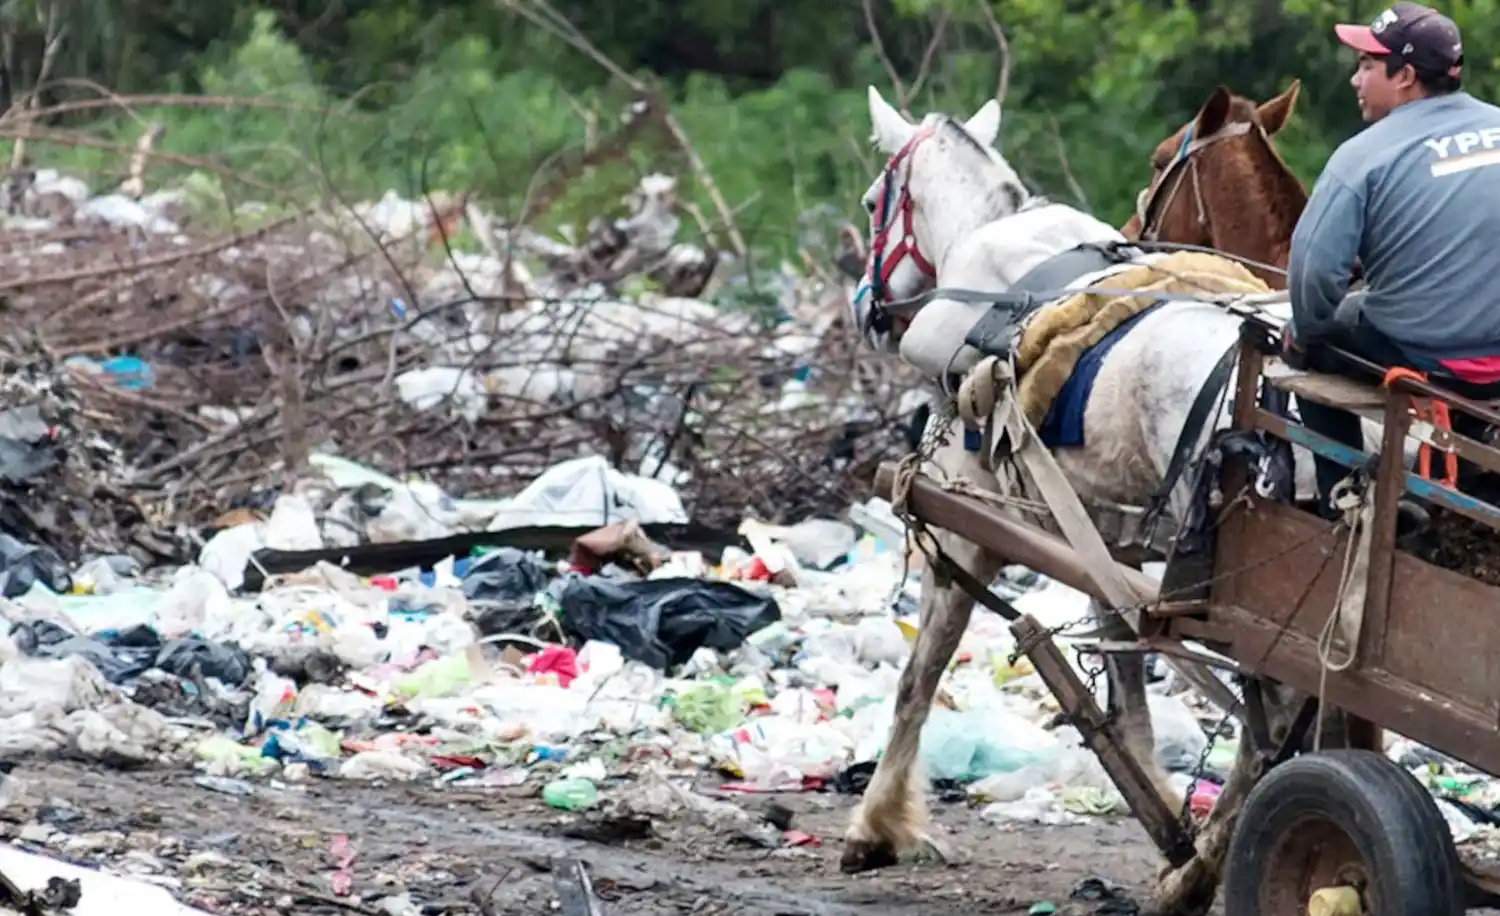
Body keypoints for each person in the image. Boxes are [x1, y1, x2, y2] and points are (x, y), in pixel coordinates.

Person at [1286, 2, 1500, 518]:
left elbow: (1313, 275)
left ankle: (1348, 504)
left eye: (1366, 65)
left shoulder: (1362, 156)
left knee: (1306, 341)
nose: (1355, 79)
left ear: (1404, 77)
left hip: (1425, 358)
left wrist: (1309, 329)